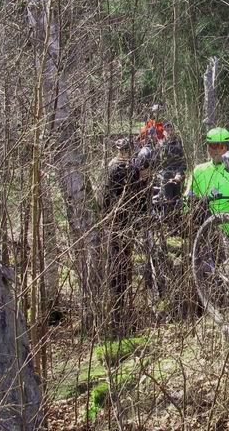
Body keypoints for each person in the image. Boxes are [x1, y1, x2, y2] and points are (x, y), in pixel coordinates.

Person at [100, 137, 147, 336]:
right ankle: (118, 313)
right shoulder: (117, 168)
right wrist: (140, 175)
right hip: (117, 222)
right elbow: (126, 192)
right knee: (118, 266)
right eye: (123, 150)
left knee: (123, 265)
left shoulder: (125, 167)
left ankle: (122, 309)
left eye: (127, 149)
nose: (125, 153)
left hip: (122, 222)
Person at [185, 127, 229, 235]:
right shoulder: (199, 170)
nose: (216, 150)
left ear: (227, 148)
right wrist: (192, 200)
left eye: (220, 146)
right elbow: (188, 194)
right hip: (207, 229)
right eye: (212, 146)